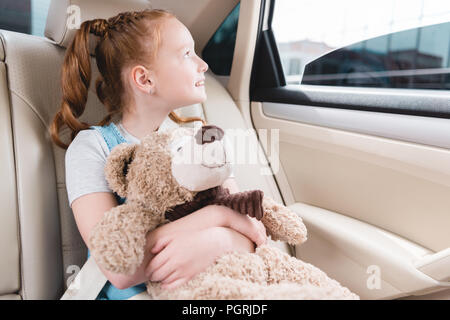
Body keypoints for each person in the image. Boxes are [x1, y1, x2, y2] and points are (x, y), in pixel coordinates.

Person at [50, 9, 267, 300]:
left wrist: (217, 241)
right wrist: (219, 218)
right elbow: (119, 267)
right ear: (144, 79)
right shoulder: (93, 148)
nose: (202, 64)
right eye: (187, 53)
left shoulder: (199, 140)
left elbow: (254, 234)